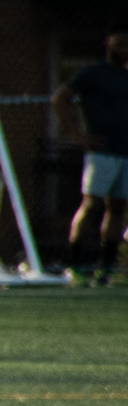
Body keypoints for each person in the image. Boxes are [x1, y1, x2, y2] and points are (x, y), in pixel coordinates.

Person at [52, 32, 128, 287]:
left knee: (117, 209)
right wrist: (76, 135)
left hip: (125, 153)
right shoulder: (93, 73)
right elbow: (60, 99)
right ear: (108, 44)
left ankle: (104, 268)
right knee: (91, 205)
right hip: (101, 153)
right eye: (119, 44)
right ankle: (74, 263)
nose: (123, 49)